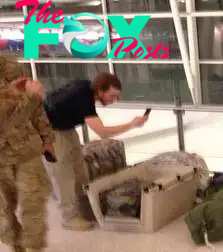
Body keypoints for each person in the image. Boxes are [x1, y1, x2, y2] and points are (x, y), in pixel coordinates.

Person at [43, 73, 148, 230]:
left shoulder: (86, 89)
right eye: (112, 96)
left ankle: (86, 208)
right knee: (62, 173)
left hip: (66, 128)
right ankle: (69, 217)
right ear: (100, 90)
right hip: (50, 132)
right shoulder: (83, 96)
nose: (114, 100)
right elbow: (103, 133)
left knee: (79, 170)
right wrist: (132, 124)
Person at [0, 55, 56, 252]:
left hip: (26, 151)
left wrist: (47, 137)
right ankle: (17, 248)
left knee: (34, 199)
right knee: (3, 211)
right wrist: (31, 97)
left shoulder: (10, 65)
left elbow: (35, 109)